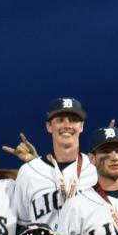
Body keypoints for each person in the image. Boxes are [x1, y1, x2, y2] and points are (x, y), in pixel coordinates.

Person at [14, 97, 95, 228]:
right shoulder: (28, 172)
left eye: (73, 120)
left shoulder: (95, 169)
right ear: (49, 126)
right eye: (60, 120)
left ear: (82, 126)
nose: (67, 125)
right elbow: (22, 225)